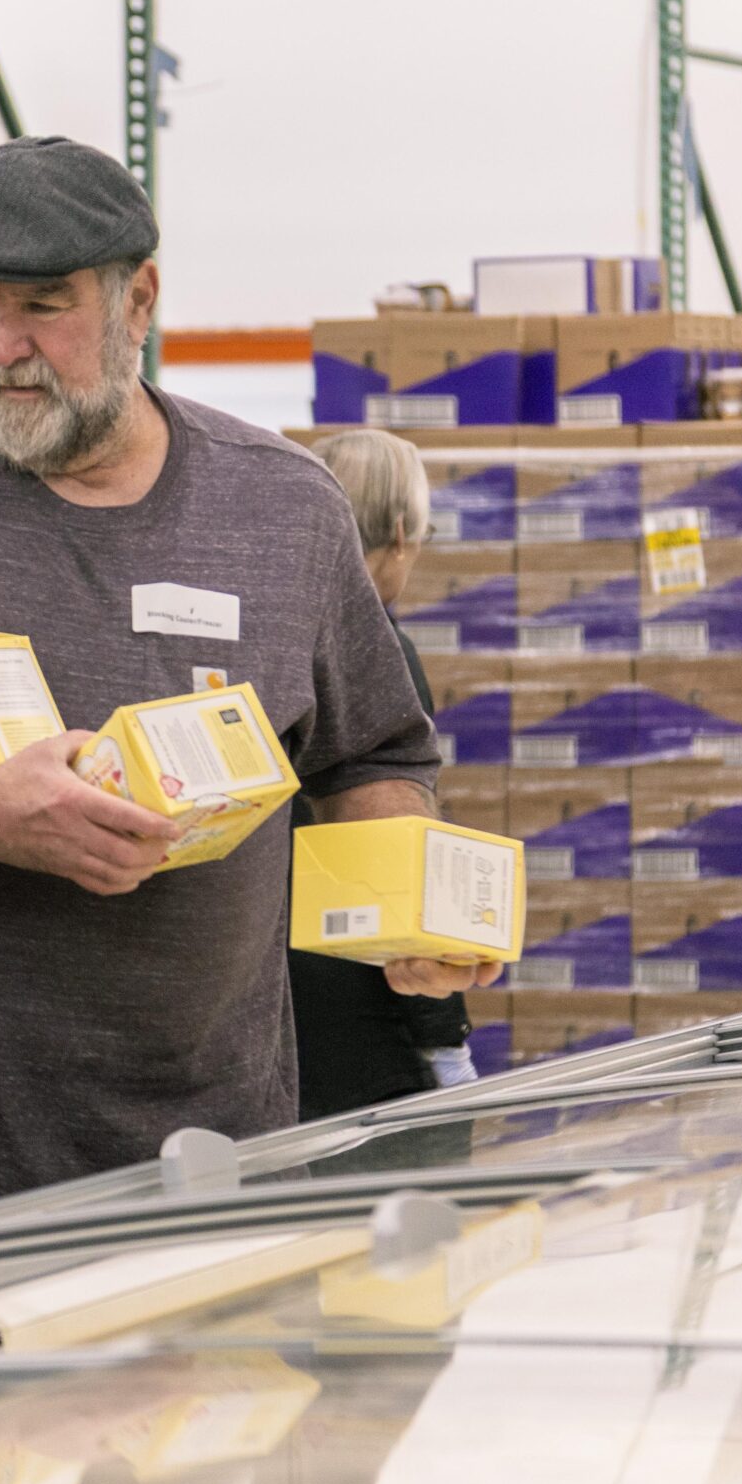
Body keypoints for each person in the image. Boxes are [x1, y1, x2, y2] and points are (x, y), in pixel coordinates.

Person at [0, 133, 495, 1230]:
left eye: (43, 306)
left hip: (220, 1171)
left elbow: (373, 754)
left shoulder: (282, 510)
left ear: (140, 300)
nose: (2, 346)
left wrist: (414, 905)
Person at [288, 429, 478, 1119]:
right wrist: (443, 1040)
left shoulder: (271, 634)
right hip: (363, 1006)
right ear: (400, 532)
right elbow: (399, 862)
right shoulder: (380, 656)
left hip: (269, 1008)